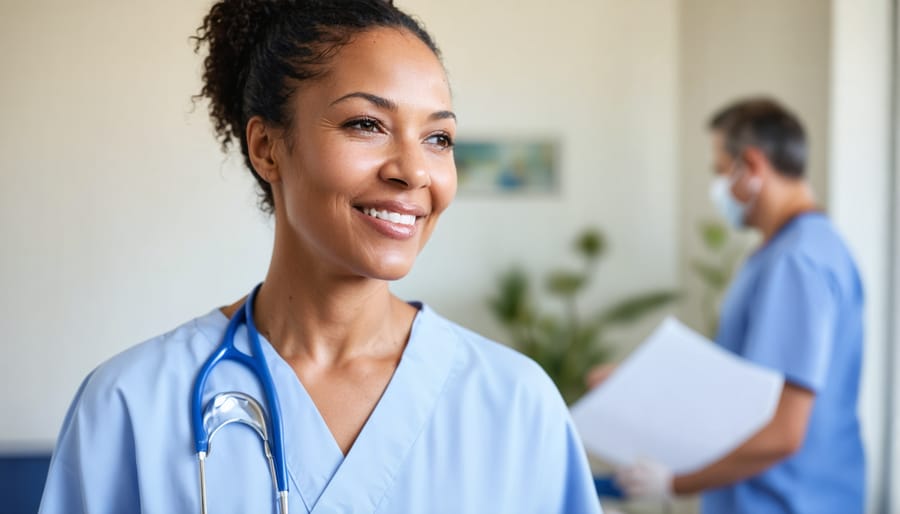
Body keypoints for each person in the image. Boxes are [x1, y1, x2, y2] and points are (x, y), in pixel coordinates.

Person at [38, 1, 601, 512]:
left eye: (438, 139)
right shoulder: (131, 406)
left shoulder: (515, 405)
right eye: (366, 124)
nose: (413, 170)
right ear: (266, 148)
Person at [599, 98, 866, 513]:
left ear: (754, 167)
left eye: (721, 172)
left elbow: (784, 431)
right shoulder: (799, 250)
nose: (720, 188)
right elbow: (746, 390)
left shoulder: (798, 261)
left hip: (786, 501)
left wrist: (675, 482)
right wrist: (642, 386)